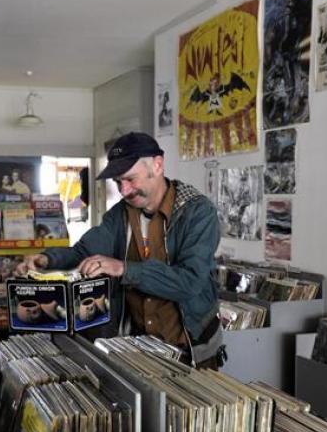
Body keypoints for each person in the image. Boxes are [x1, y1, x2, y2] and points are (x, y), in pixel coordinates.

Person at [15, 131, 223, 368]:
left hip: (192, 351)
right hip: (138, 349)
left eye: (130, 179)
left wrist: (124, 269)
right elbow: (84, 251)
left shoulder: (198, 213)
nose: (124, 191)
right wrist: (46, 259)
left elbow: (190, 282)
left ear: (157, 165)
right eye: (118, 183)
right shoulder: (120, 214)